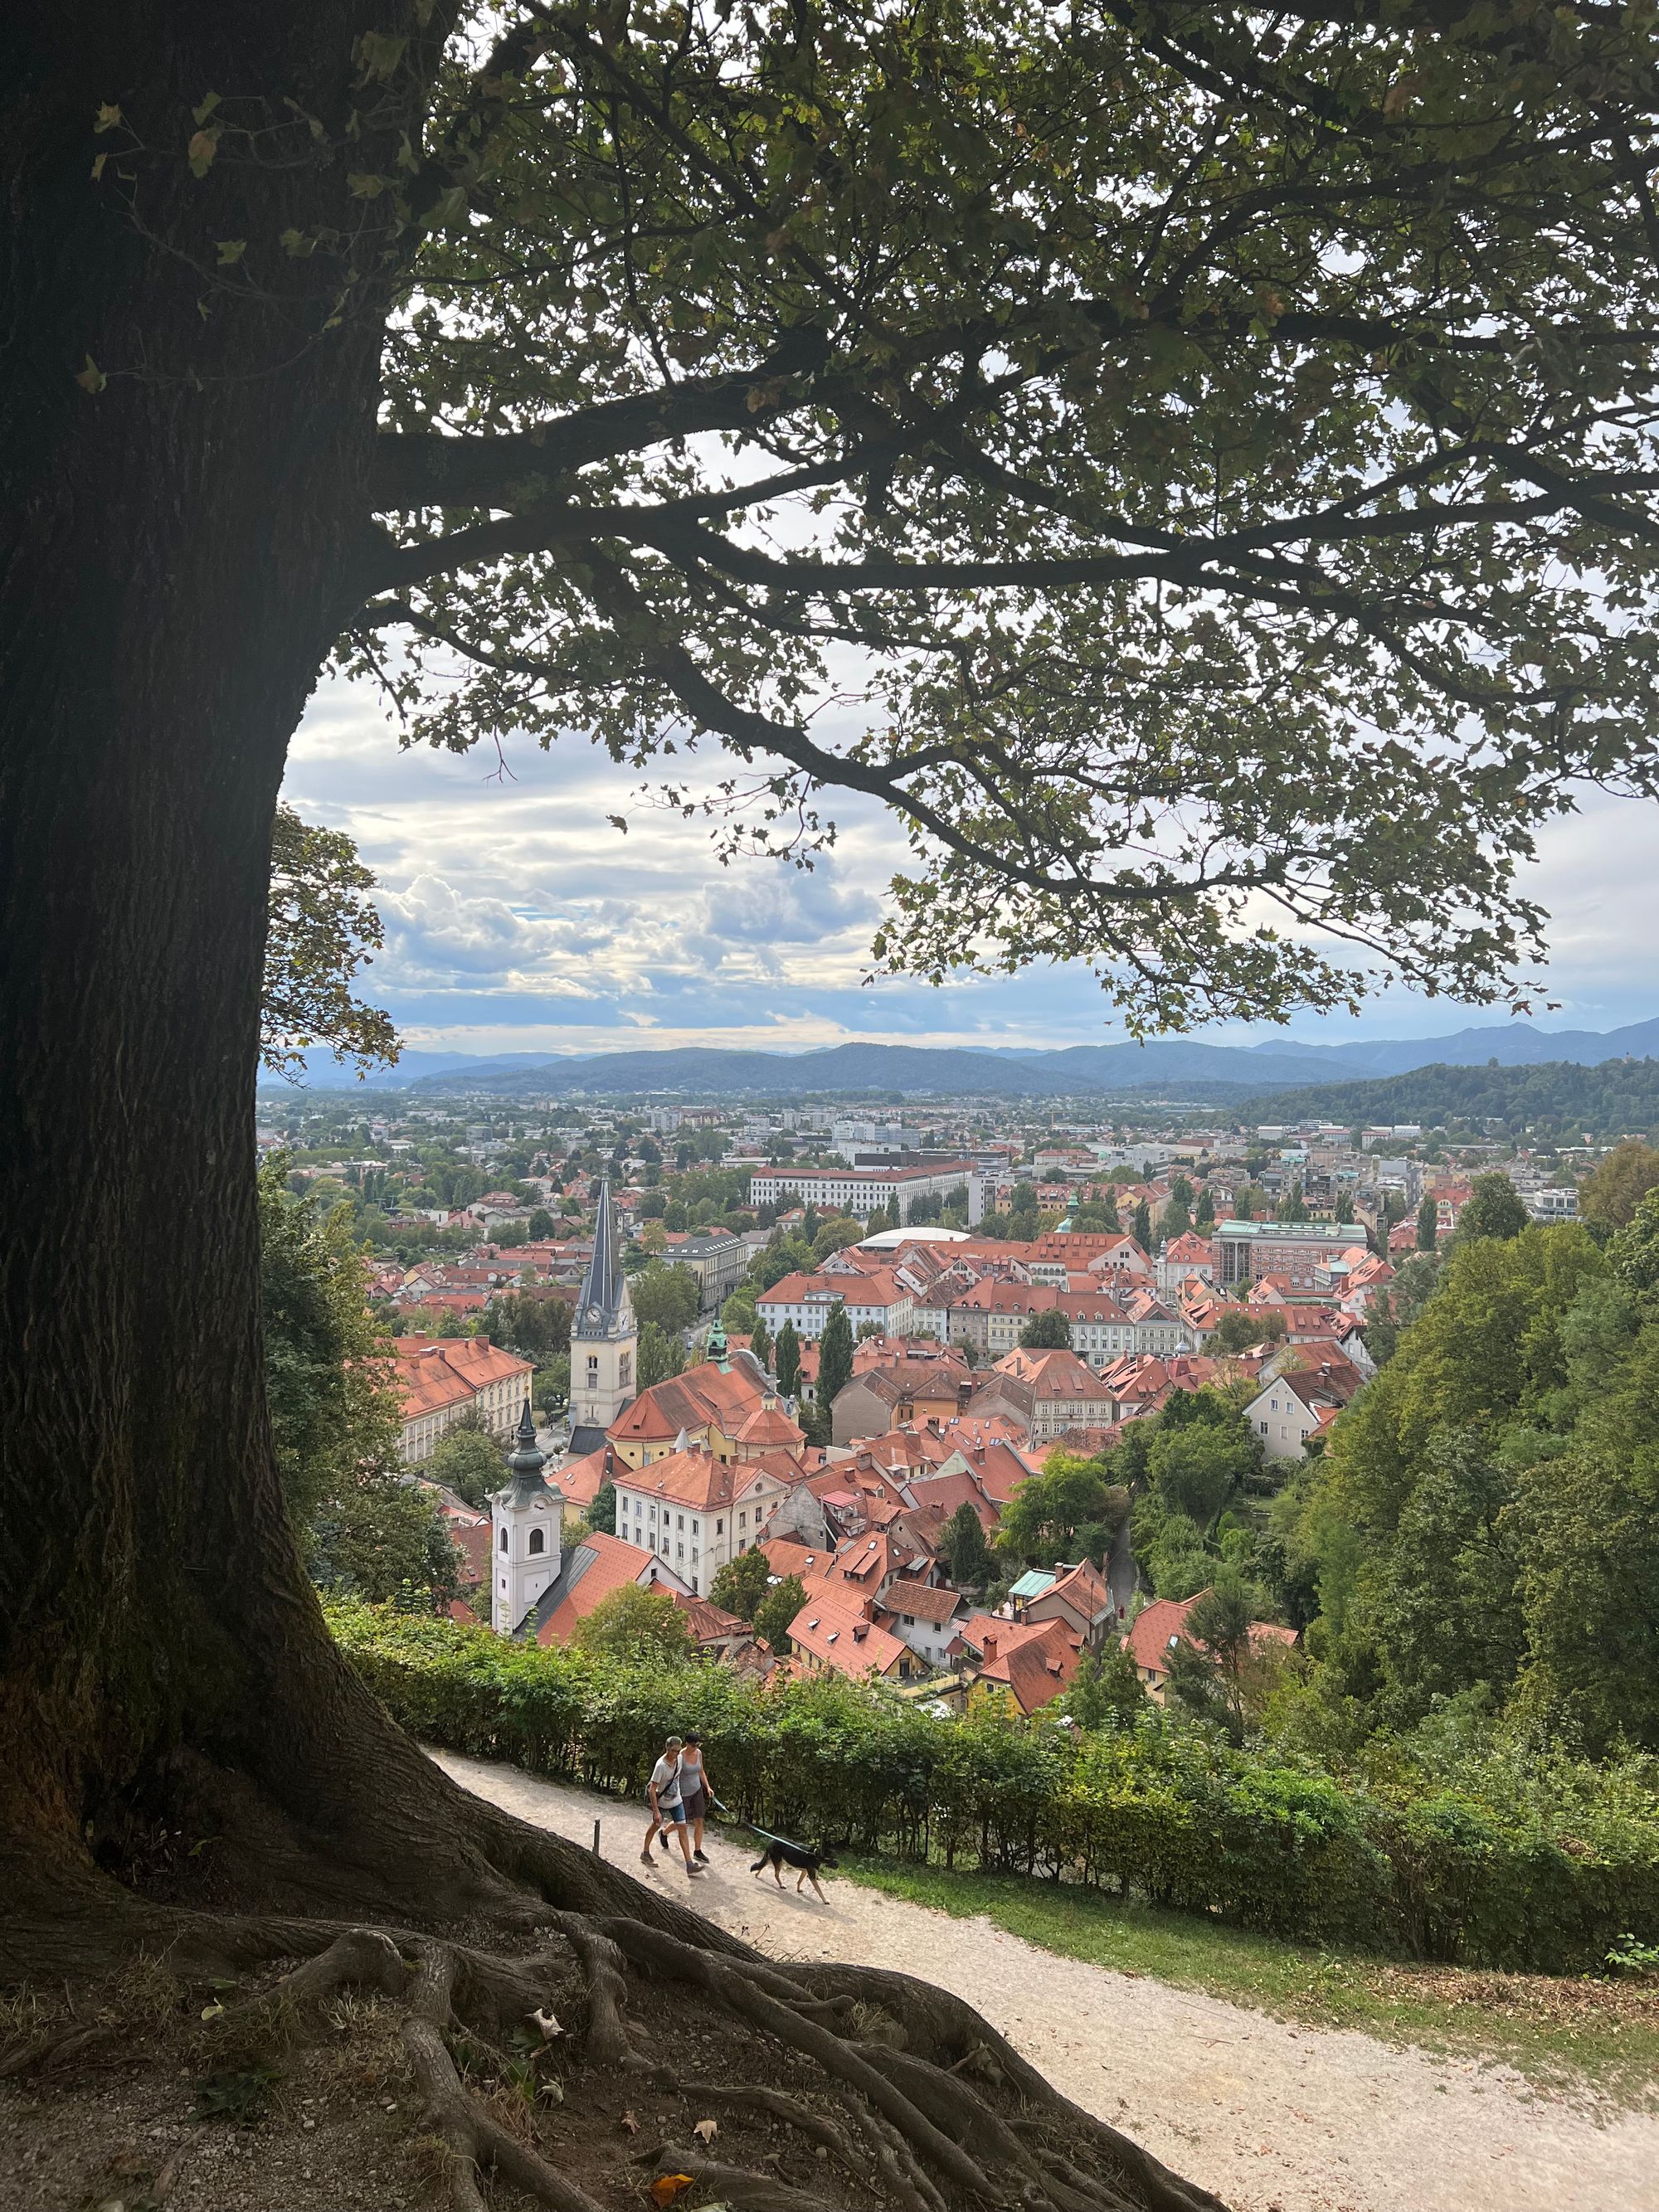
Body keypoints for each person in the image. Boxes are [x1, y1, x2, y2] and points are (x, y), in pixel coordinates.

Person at [641, 1735, 701, 1876]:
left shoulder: (679, 1759)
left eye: (679, 1751)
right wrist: (656, 1811)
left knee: (682, 1828)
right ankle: (645, 1852)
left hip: (676, 1800)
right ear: (667, 1749)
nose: (677, 1753)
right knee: (656, 1824)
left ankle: (689, 1864)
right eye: (674, 1751)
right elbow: (652, 1789)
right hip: (661, 1801)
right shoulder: (660, 1766)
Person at [675, 1732, 721, 1864]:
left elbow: (701, 1771)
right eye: (694, 1745)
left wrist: (708, 1787)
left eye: (698, 1745)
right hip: (683, 1793)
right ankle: (664, 1833)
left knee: (699, 1820)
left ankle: (698, 1850)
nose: (696, 1747)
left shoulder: (699, 1753)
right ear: (687, 1744)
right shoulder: (680, 1756)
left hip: (697, 1791)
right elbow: (675, 1775)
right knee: (681, 1822)